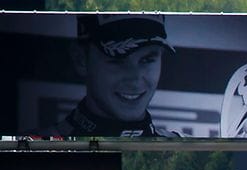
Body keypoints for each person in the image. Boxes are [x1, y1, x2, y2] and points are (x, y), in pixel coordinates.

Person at [43, 15, 177, 137]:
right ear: (81, 59)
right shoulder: (36, 150)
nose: (135, 80)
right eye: (117, 60)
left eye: (147, 60)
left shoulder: (185, 152)